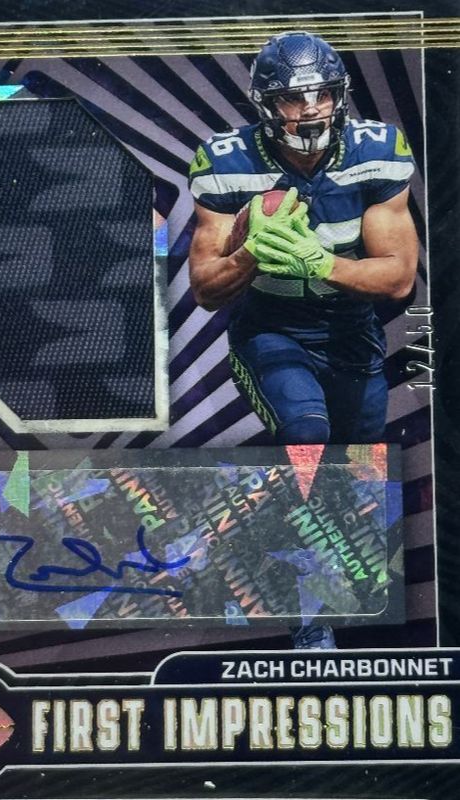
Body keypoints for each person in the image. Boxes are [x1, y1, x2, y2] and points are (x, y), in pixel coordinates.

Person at [188, 31, 419, 649]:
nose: (311, 108)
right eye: (294, 97)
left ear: (340, 95)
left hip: (350, 332)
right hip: (272, 328)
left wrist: (320, 262)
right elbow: (206, 288)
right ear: (267, 104)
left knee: (361, 469)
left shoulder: (376, 151)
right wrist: (251, 255)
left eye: (321, 94)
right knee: (307, 435)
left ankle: (357, 600)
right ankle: (306, 613)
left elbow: (398, 278)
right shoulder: (228, 161)